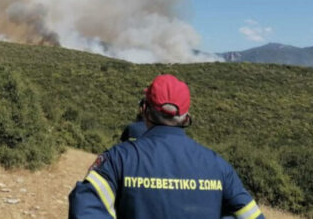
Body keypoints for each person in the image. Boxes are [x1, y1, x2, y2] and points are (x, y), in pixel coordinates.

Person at [68, 74, 265, 219]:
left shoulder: (118, 159)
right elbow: (252, 216)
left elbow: (84, 210)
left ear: (145, 110)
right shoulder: (218, 165)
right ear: (186, 118)